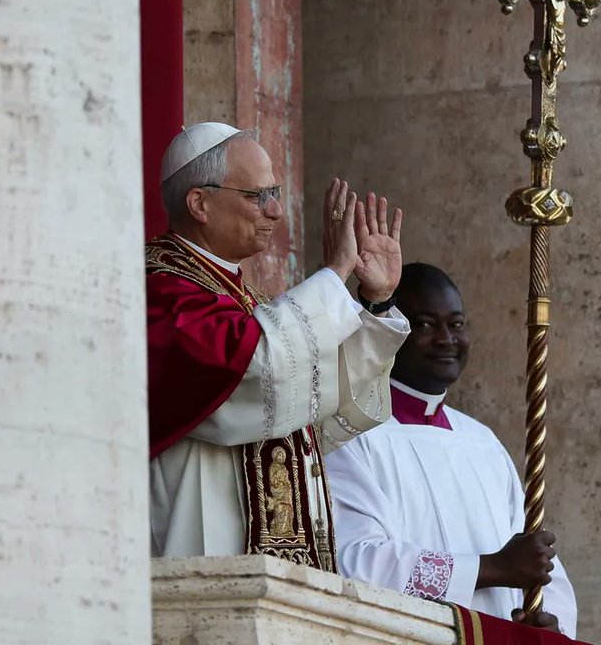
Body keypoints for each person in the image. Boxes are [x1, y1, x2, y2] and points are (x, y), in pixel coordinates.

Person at [147, 121, 409, 570]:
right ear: (200, 203)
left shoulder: (246, 302)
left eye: (276, 193)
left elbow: (319, 405)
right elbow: (255, 370)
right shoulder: (162, 293)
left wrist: (376, 302)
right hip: (202, 555)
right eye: (257, 196)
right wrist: (333, 273)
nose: (275, 212)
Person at [324, 263, 577, 636]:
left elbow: (536, 561)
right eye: (425, 324)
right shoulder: (349, 436)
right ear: (390, 330)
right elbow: (357, 564)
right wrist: (491, 568)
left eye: (456, 324)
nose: (446, 339)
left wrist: (548, 623)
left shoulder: (481, 442)